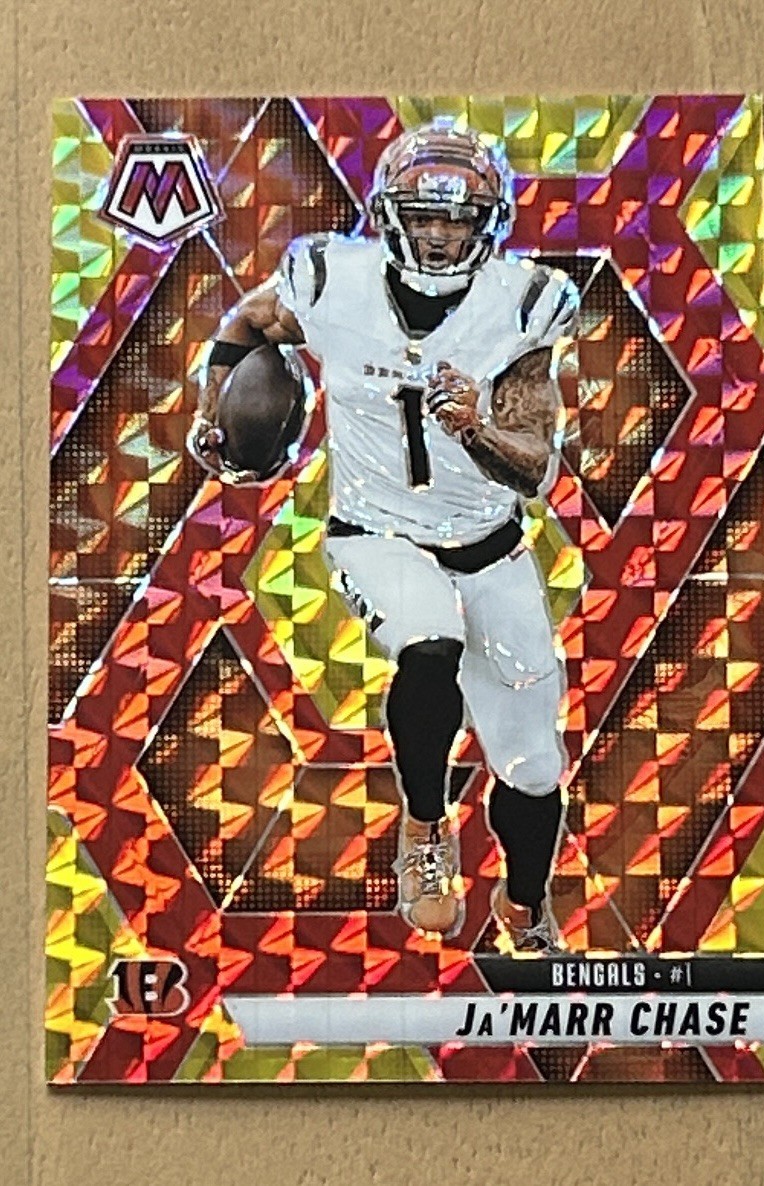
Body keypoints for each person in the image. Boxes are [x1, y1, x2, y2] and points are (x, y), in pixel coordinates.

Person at [187, 121, 580, 953]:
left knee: (533, 767)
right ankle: (425, 831)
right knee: (429, 645)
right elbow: (250, 322)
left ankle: (523, 906)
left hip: (489, 545)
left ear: (488, 224)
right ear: (388, 215)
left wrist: (476, 428)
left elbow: (535, 469)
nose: (438, 235)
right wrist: (213, 411)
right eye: (423, 216)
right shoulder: (331, 280)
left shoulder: (523, 305)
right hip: (375, 531)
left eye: (457, 219)